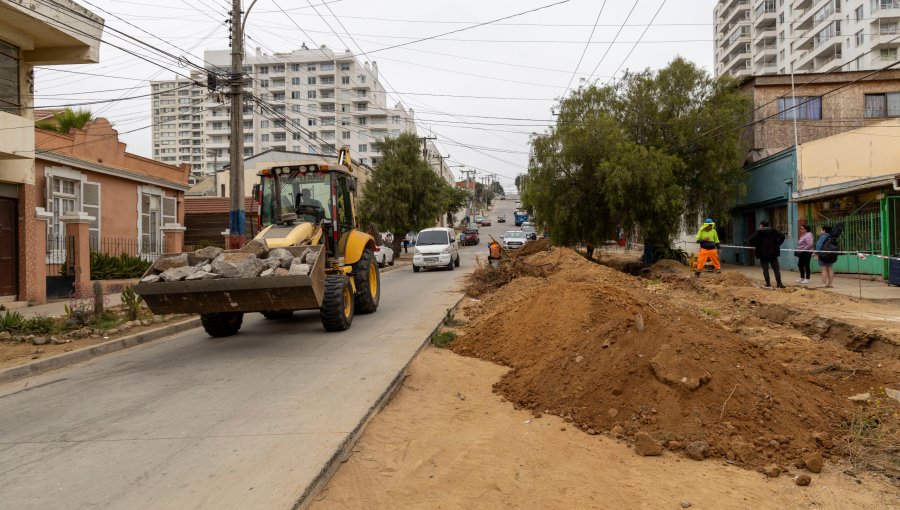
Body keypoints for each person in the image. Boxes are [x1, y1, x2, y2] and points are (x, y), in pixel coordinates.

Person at [747, 219, 786, 289]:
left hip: (763, 254)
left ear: (762, 225)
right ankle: (779, 284)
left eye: (760, 225)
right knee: (776, 269)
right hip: (773, 253)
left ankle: (768, 284)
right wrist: (778, 244)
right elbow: (782, 236)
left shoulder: (759, 232)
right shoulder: (774, 231)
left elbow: (750, 240)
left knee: (765, 269)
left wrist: (757, 245)